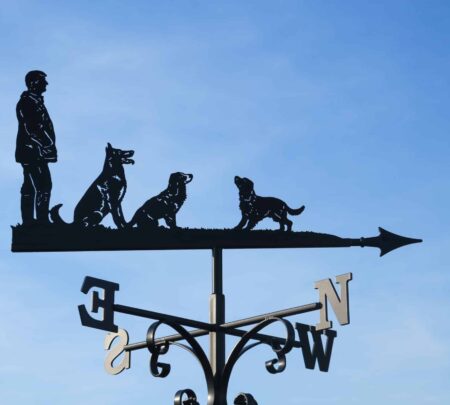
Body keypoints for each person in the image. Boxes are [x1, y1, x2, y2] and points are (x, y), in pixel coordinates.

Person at [16, 70, 57, 225]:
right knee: (43, 184)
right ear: (33, 83)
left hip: (32, 151)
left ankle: (30, 221)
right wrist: (46, 144)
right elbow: (32, 128)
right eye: (42, 81)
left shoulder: (34, 101)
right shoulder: (28, 102)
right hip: (32, 151)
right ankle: (41, 221)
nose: (46, 84)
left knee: (31, 185)